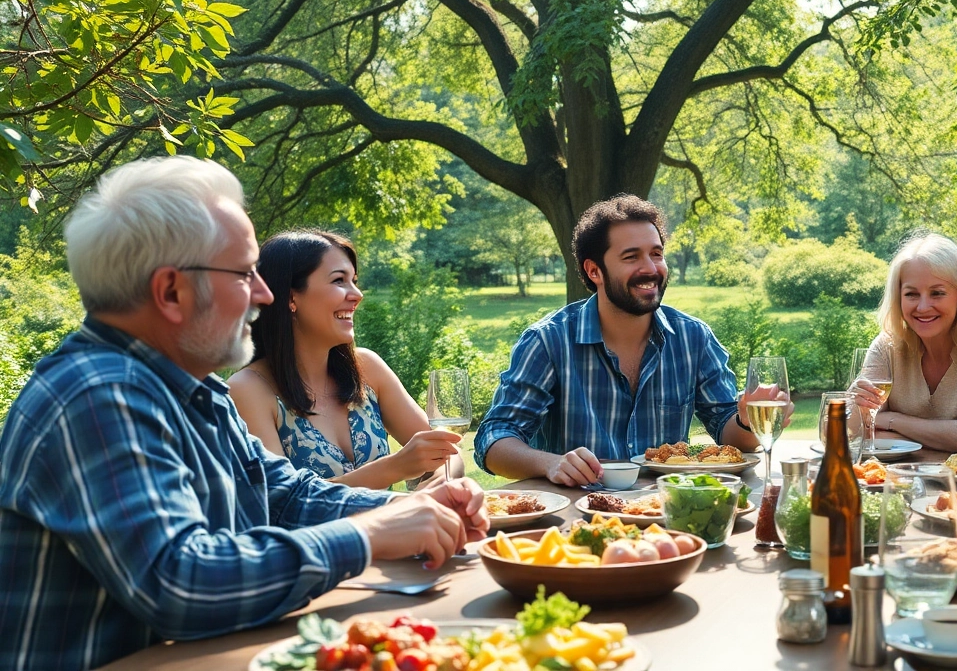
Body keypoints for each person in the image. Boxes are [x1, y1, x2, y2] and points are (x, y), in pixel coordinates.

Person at [0, 157, 488, 671]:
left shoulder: (193, 388)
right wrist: (369, 534)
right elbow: (180, 580)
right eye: (244, 273)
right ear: (171, 291)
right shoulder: (98, 397)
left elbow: (283, 494)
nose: (264, 294)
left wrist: (406, 512)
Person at [474, 194, 779, 486]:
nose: (650, 268)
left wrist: (744, 419)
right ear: (594, 271)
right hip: (576, 518)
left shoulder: (693, 338)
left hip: (666, 514)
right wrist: (551, 463)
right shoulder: (548, 341)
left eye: (656, 254)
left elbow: (730, 434)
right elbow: (494, 439)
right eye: (632, 257)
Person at [229, 230, 462, 489]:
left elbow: (449, 456)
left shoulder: (367, 370)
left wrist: (428, 494)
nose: (357, 295)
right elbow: (280, 500)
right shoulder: (248, 390)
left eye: (354, 280)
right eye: (339, 281)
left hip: (399, 528)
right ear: (291, 297)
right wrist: (394, 468)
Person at [850, 233, 957, 452]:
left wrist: (891, 421)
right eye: (911, 294)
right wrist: (853, 405)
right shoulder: (886, 346)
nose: (923, 307)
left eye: (937, 293)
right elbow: (852, 434)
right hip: (895, 481)